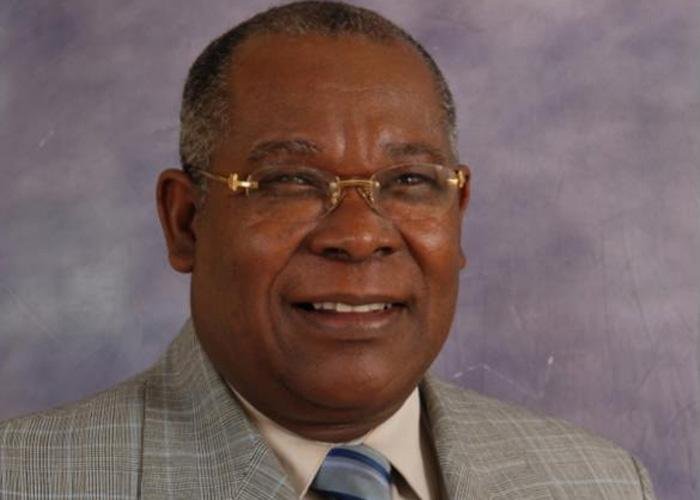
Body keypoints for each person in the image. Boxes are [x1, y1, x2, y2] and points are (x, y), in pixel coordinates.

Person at [0, 2, 656, 499]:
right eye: (290, 180)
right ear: (186, 222)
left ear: (457, 214)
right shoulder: (26, 480)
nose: (360, 236)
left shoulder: (600, 482)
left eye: (409, 181)